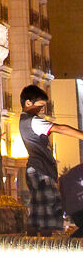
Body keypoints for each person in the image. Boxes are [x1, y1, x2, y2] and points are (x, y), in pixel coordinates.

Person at [19, 85, 83, 235]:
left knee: (38, 211)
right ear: (28, 103)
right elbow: (60, 128)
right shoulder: (33, 121)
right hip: (41, 170)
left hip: (35, 169)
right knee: (49, 209)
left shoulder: (24, 121)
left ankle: (33, 243)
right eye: (40, 106)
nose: (42, 110)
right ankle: (46, 244)